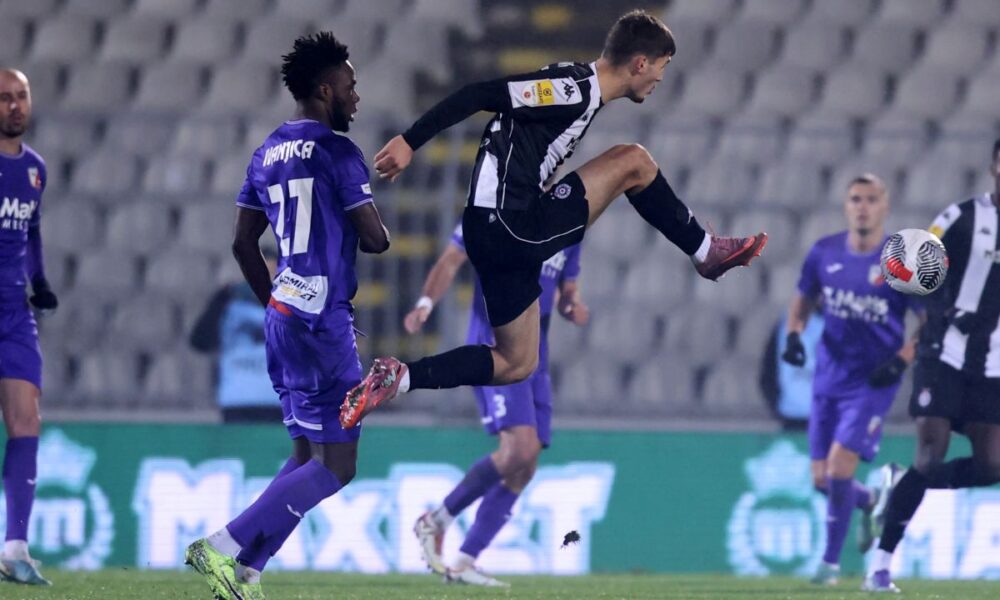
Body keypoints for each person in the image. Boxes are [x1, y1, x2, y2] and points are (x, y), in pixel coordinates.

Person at [339, 10, 766, 431]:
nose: (659, 79)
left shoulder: (573, 86)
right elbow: (480, 92)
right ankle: (705, 251)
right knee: (634, 162)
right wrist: (410, 142)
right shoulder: (572, 88)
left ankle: (399, 377)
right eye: (661, 67)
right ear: (640, 63)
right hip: (510, 224)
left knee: (515, 362)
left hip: (492, 232)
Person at [184, 33, 389, 600]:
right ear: (325, 90)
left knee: (305, 454)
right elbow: (376, 240)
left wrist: (278, 300)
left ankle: (249, 569)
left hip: (282, 314)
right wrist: (372, 208)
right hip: (323, 321)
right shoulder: (340, 153)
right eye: (350, 86)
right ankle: (222, 545)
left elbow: (242, 244)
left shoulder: (265, 152)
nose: (356, 97)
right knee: (338, 465)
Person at [406, 222, 587, 586]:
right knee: (519, 448)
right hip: (497, 343)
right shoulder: (498, 211)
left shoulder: (569, 223)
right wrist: (426, 303)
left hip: (538, 348)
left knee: (527, 461)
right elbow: (451, 259)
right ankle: (436, 520)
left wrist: (572, 305)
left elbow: (567, 289)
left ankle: (463, 560)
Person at [865, 140, 1000, 593]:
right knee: (932, 452)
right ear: (993, 166)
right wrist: (944, 310)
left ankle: (899, 485)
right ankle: (880, 567)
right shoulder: (961, 217)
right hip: (944, 353)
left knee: (991, 466)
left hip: (994, 366)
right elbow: (911, 266)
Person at [782, 174, 921, 585]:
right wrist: (793, 333)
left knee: (841, 468)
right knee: (822, 479)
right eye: (856, 199)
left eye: (871, 199)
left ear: (885, 206)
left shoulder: (901, 261)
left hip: (872, 383)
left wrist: (901, 361)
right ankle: (873, 500)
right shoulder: (823, 253)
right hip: (828, 377)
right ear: (846, 206)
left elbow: (928, 323)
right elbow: (802, 300)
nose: (862, 206)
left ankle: (828, 566)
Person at [0, 68, 56, 587]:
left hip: (15, 314)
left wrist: (39, 282)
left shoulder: (35, 170)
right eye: (4, 99)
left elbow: (32, 231)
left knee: (26, 420)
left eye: (21, 97)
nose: (15, 106)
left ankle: (15, 547)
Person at [190, 246, 282, 423]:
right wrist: (221, 298)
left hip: (278, 402)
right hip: (238, 400)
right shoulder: (227, 305)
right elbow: (200, 342)